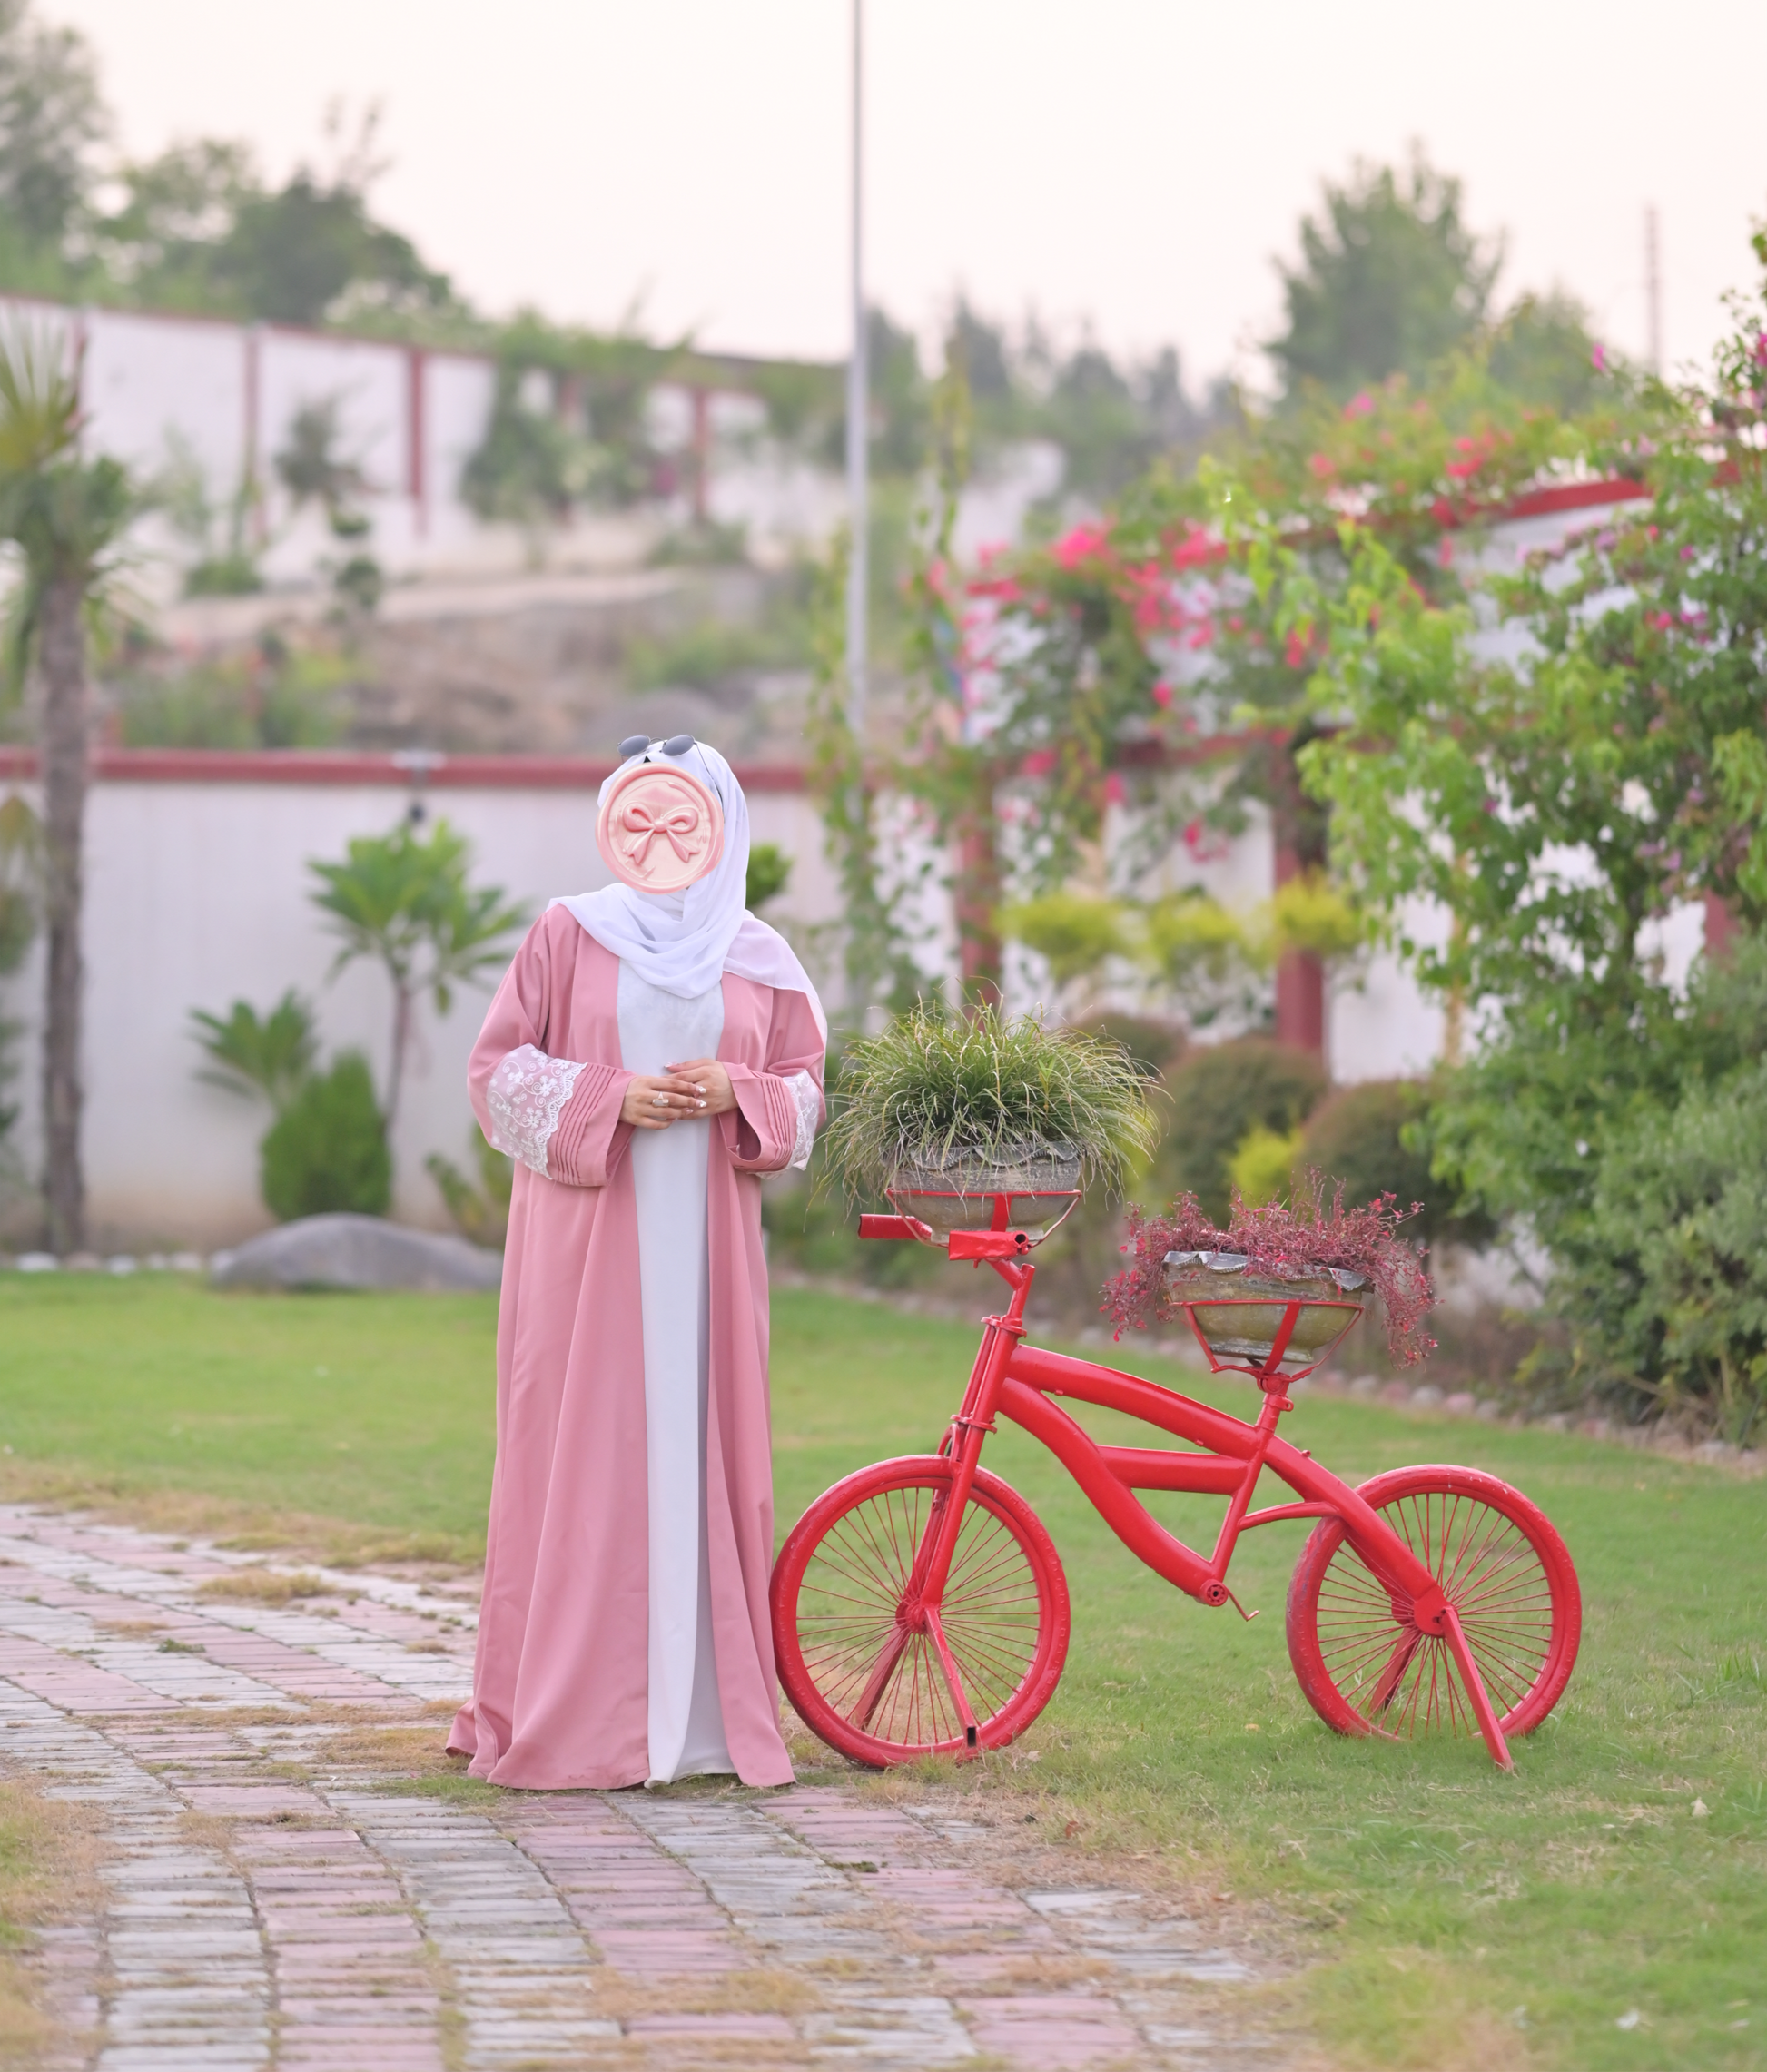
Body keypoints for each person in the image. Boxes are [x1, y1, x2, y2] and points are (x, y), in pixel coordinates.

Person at [447, 738, 825, 1789]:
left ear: (720, 822)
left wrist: (729, 1093)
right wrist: (610, 1096)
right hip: (588, 1245)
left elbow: (801, 1094)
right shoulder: (568, 932)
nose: (659, 838)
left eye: (681, 818)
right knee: (583, 1443)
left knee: (701, 1441)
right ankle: (578, 1711)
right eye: (638, 816)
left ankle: (704, 1717)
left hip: (706, 1247)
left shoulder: (755, 954)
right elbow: (496, 1072)